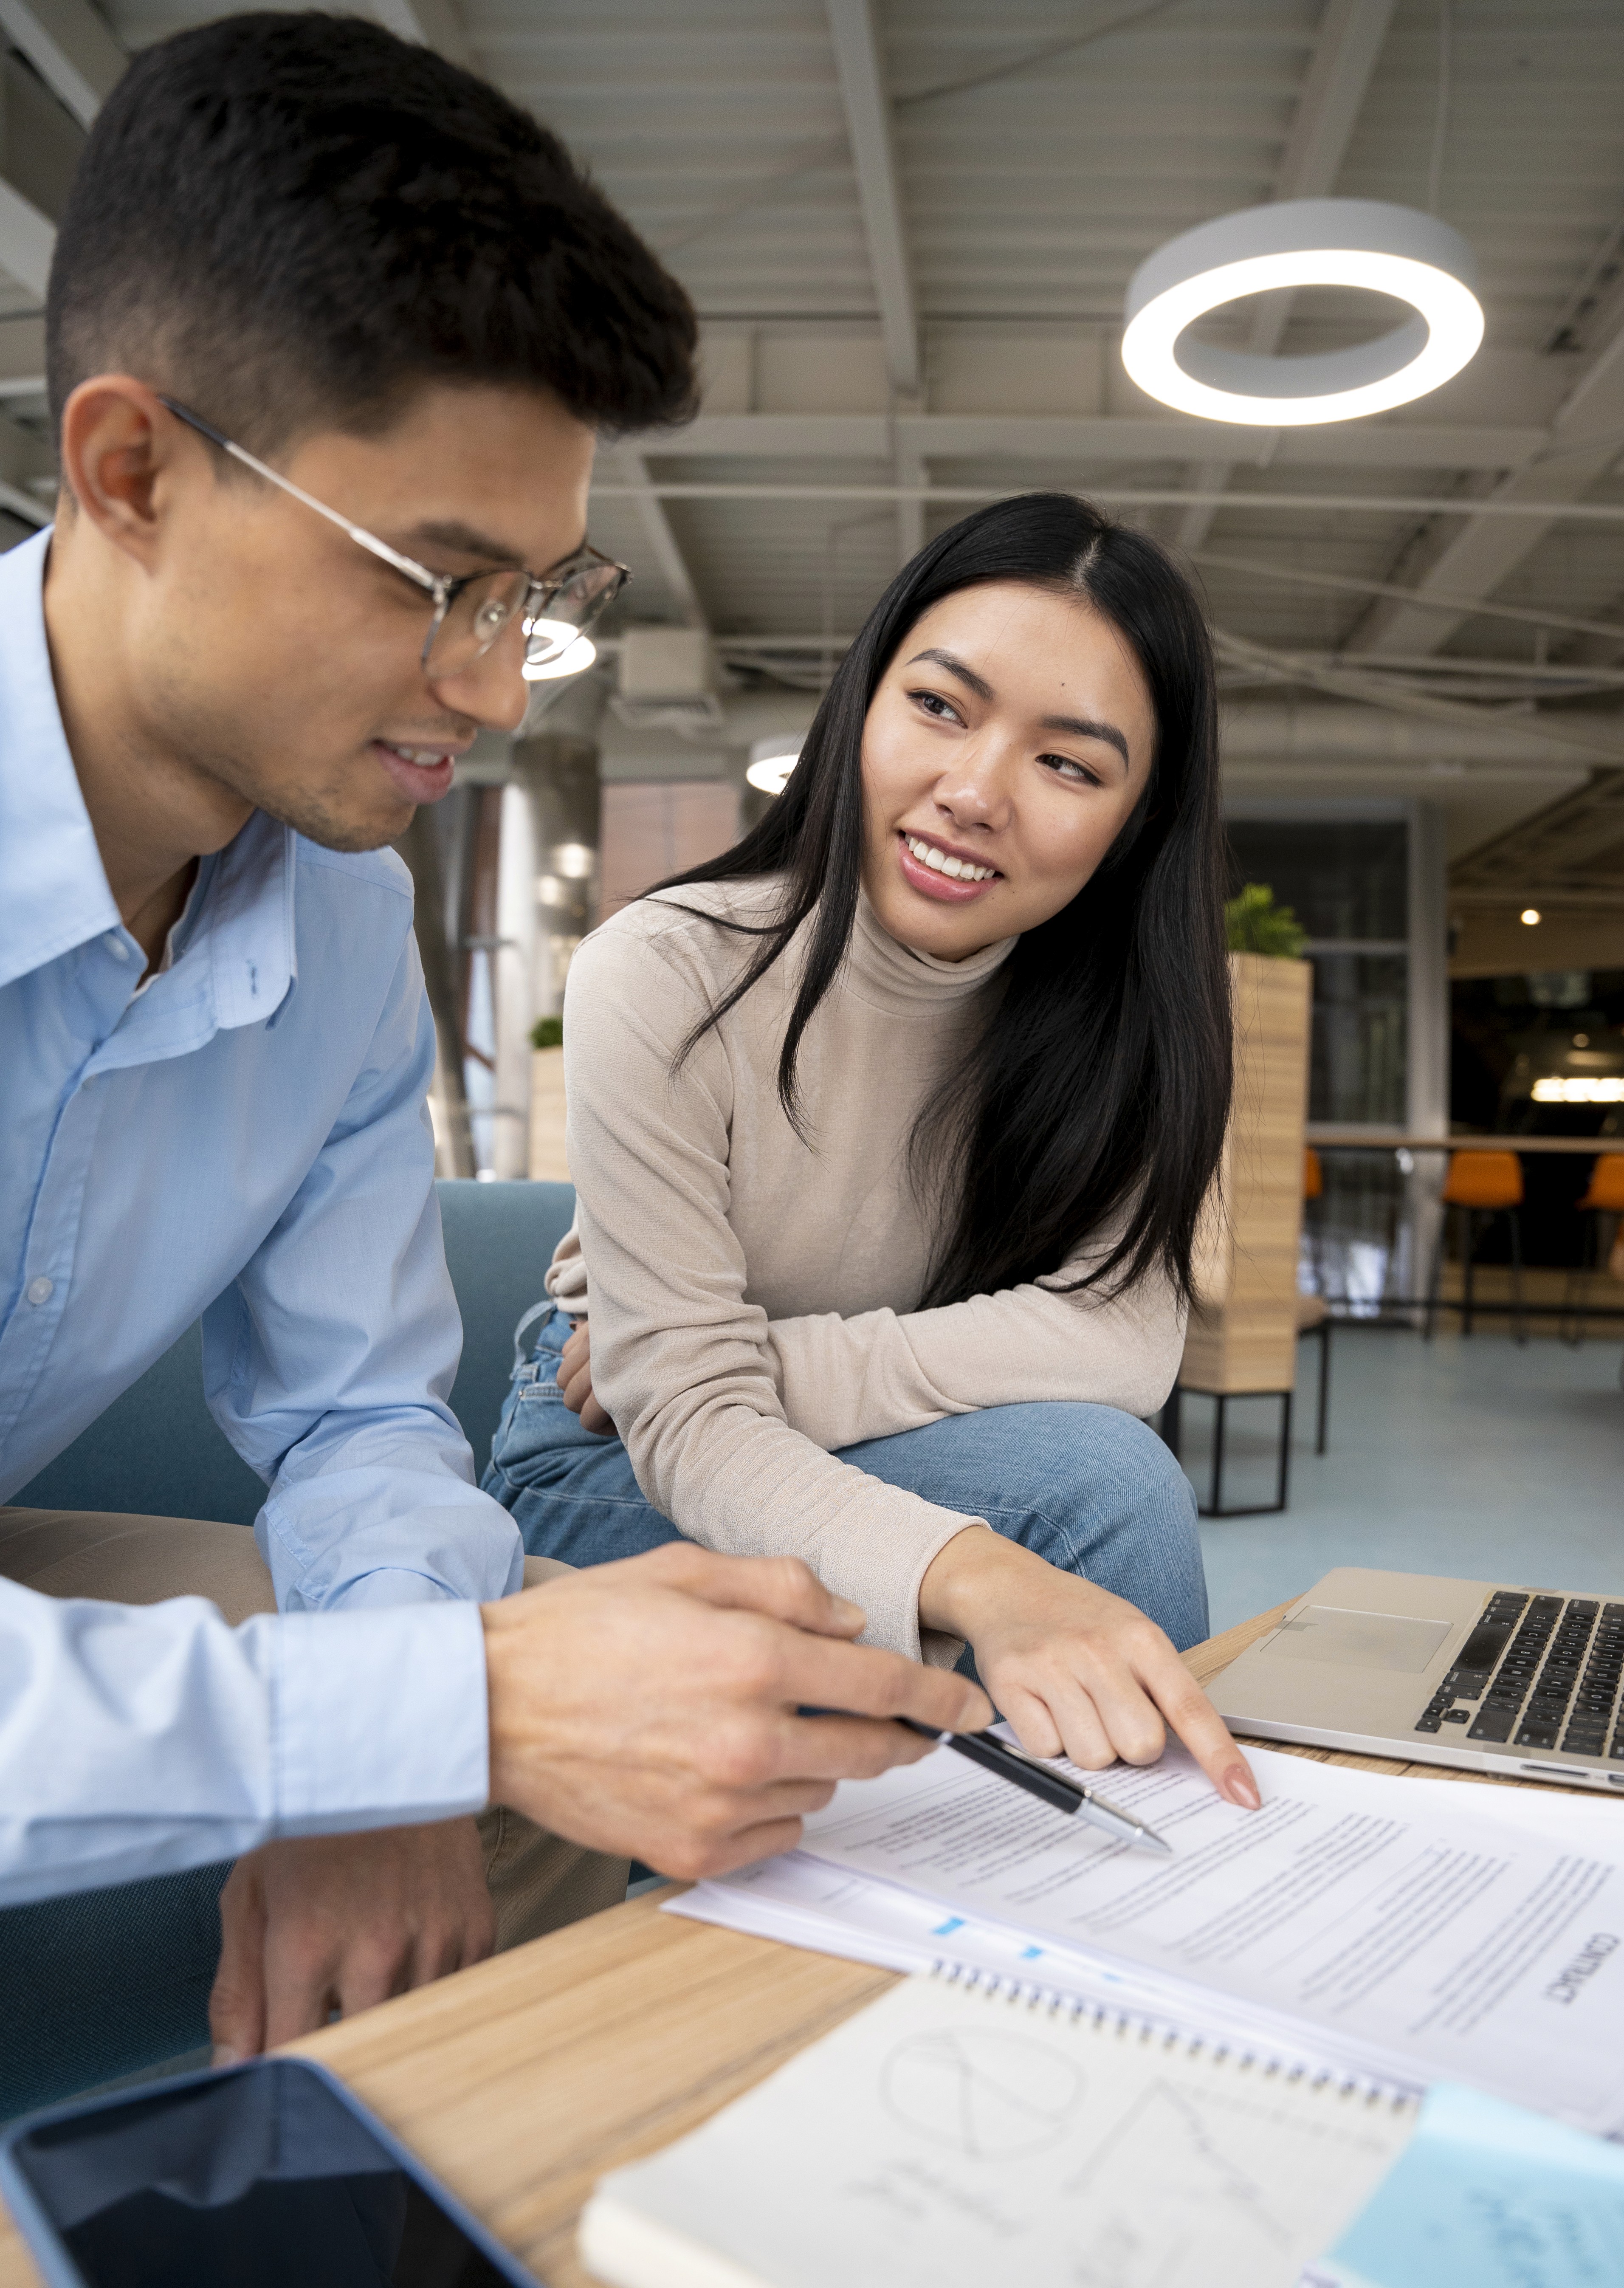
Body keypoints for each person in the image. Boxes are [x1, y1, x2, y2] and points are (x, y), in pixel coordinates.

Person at [0, 8, 985, 2063]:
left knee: (549, 1691)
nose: (498, 687)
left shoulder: (344, 919)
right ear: (132, 469)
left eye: (534, 598)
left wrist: (414, 1720)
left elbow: (354, 1421)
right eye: (433, 582)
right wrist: (409, 1710)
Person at [486, 493, 1260, 1809]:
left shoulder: (1136, 1019)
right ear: (861, 703)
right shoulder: (670, 970)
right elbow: (682, 1417)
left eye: (1069, 765)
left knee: (1098, 1471)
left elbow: (1125, 1337)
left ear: (1136, 820)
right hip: (600, 1452)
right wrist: (980, 1571)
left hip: (762, 1405)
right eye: (942, 708)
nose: (973, 793)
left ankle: (1096, 1910)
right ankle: (1148, 1908)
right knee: (1095, 1492)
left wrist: (770, 1361)